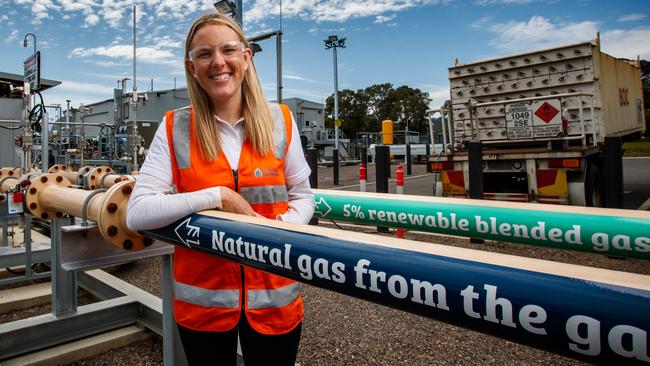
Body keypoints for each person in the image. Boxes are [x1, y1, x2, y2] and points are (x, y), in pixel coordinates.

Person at [126, 12, 314, 366]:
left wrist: (282, 229)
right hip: (204, 306)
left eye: (228, 50)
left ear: (246, 57)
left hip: (273, 297)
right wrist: (218, 197)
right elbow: (138, 212)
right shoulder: (174, 127)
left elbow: (303, 196)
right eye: (204, 54)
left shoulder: (281, 122)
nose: (218, 63)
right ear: (191, 66)